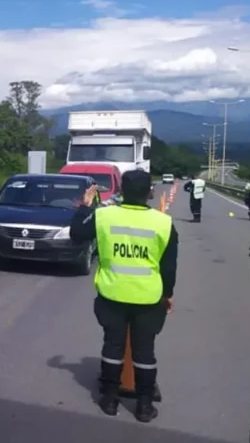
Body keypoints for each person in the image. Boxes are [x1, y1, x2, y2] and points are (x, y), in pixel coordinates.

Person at [69, 169, 178, 423]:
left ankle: (109, 399)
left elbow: (77, 233)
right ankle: (144, 406)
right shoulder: (164, 223)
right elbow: (169, 268)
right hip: (148, 299)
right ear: (150, 193)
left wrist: (85, 206)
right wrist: (168, 295)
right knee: (144, 352)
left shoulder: (103, 215)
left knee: (112, 347)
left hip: (112, 295)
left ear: (121, 192)